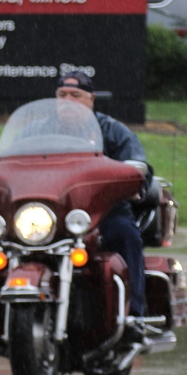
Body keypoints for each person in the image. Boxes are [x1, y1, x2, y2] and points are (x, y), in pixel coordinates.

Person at [56, 70, 148, 318]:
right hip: (54, 213)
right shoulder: (39, 131)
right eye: (62, 94)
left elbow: (139, 167)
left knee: (126, 235)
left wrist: (130, 177)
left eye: (75, 94)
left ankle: (134, 315)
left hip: (104, 212)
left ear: (91, 99)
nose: (68, 100)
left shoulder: (112, 131)